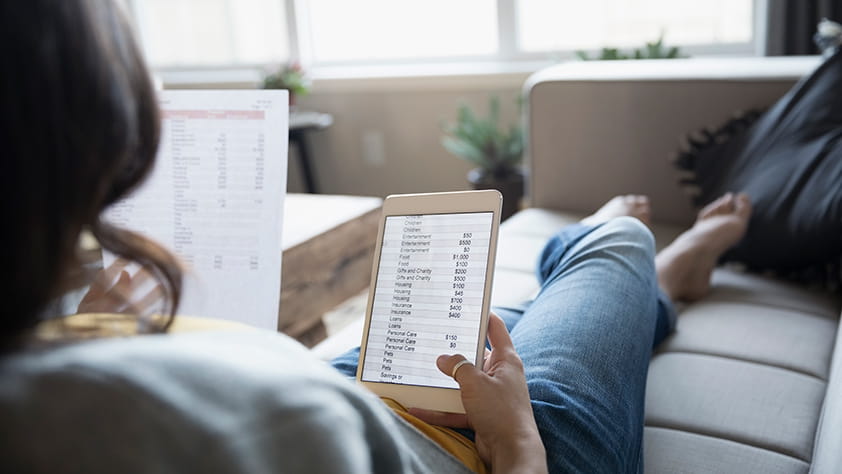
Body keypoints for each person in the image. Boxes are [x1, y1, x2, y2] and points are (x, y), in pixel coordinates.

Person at [0, 1, 753, 473]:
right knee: (615, 239)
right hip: (495, 453)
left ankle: (613, 284)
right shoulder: (201, 420)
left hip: (345, 393)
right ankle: (655, 270)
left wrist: (86, 333)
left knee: (499, 331)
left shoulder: (43, 375)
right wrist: (518, 440)